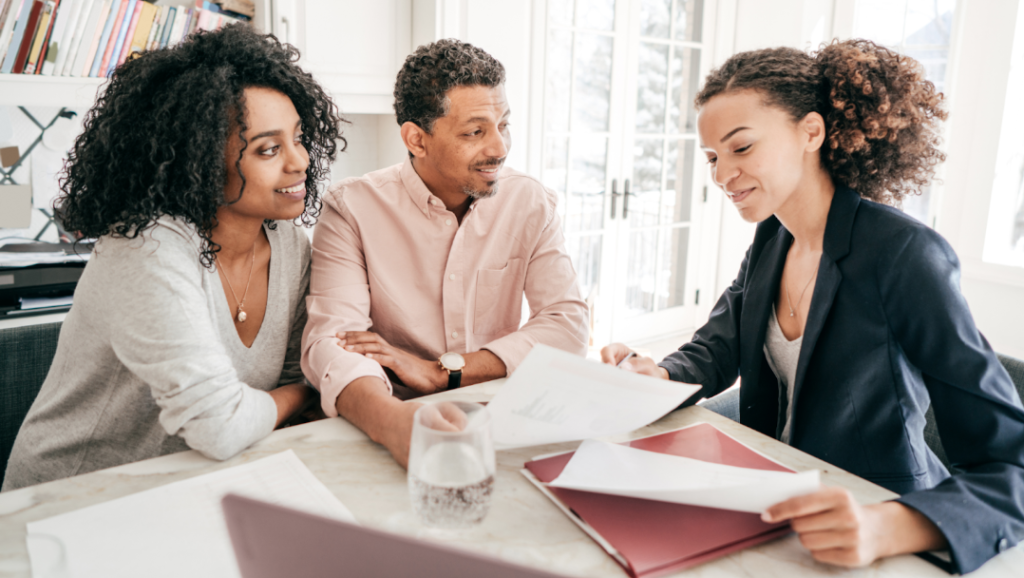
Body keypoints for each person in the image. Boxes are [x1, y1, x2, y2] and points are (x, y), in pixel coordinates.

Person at [601, 40, 1024, 574]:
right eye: (712, 157)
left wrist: (886, 525)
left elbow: (1011, 460)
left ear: (811, 132)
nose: (721, 175)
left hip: (876, 518)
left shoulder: (903, 254)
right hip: (782, 505)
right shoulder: (773, 239)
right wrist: (655, 374)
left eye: (742, 148)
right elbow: (717, 347)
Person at [3, 25, 345, 491]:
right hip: (70, 499)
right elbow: (221, 424)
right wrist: (305, 391)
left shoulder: (289, 243)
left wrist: (297, 390)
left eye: (299, 138)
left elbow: (285, 378)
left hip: (189, 484)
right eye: (268, 148)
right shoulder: (144, 249)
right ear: (201, 161)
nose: (300, 161)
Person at [301, 39, 589, 466]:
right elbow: (331, 344)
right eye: (475, 132)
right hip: (393, 417)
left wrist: (446, 370)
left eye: (503, 124)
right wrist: (394, 422)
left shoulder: (530, 202)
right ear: (416, 139)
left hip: (505, 416)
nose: (499, 148)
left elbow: (567, 325)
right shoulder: (351, 209)